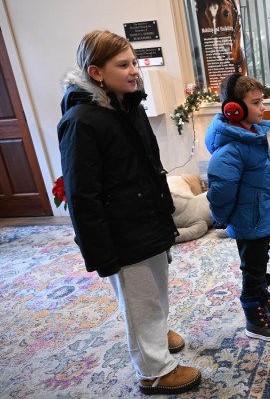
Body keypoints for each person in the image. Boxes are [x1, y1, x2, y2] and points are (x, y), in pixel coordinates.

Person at [57, 30, 201, 395]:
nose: (135, 70)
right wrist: (100, 253)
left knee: (157, 290)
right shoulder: (81, 122)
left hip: (147, 220)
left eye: (135, 62)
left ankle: (155, 331)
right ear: (96, 72)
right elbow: (82, 196)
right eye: (124, 64)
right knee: (140, 301)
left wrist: (165, 212)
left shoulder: (130, 106)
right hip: (120, 234)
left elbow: (152, 167)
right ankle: (153, 370)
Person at [205, 73, 270, 342]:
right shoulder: (231, 149)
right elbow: (220, 191)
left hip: (258, 216)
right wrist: (222, 219)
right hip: (248, 221)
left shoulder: (251, 134)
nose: (263, 107)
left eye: (261, 101)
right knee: (252, 269)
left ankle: (262, 298)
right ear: (234, 110)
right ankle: (255, 318)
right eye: (256, 103)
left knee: (259, 261)